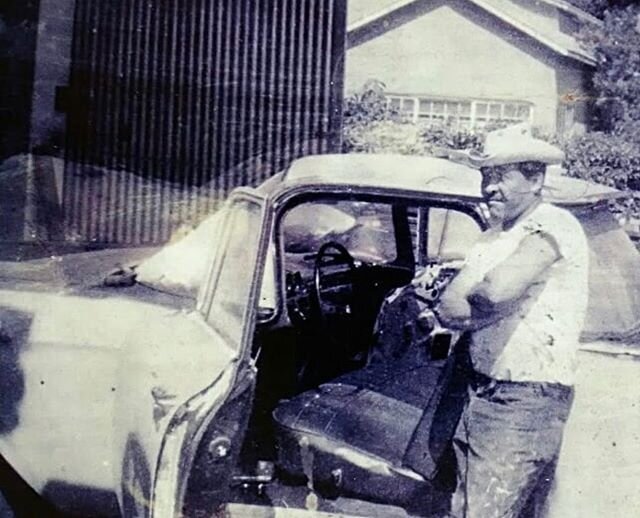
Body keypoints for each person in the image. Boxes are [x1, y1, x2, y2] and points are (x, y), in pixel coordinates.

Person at [434, 124, 590, 517]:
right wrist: (490, 299)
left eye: (501, 176)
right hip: (482, 392)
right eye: (486, 176)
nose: (489, 188)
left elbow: (495, 291)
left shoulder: (554, 224)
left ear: (535, 178)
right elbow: (449, 306)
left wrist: (489, 294)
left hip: (524, 398)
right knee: (474, 506)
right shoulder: (494, 236)